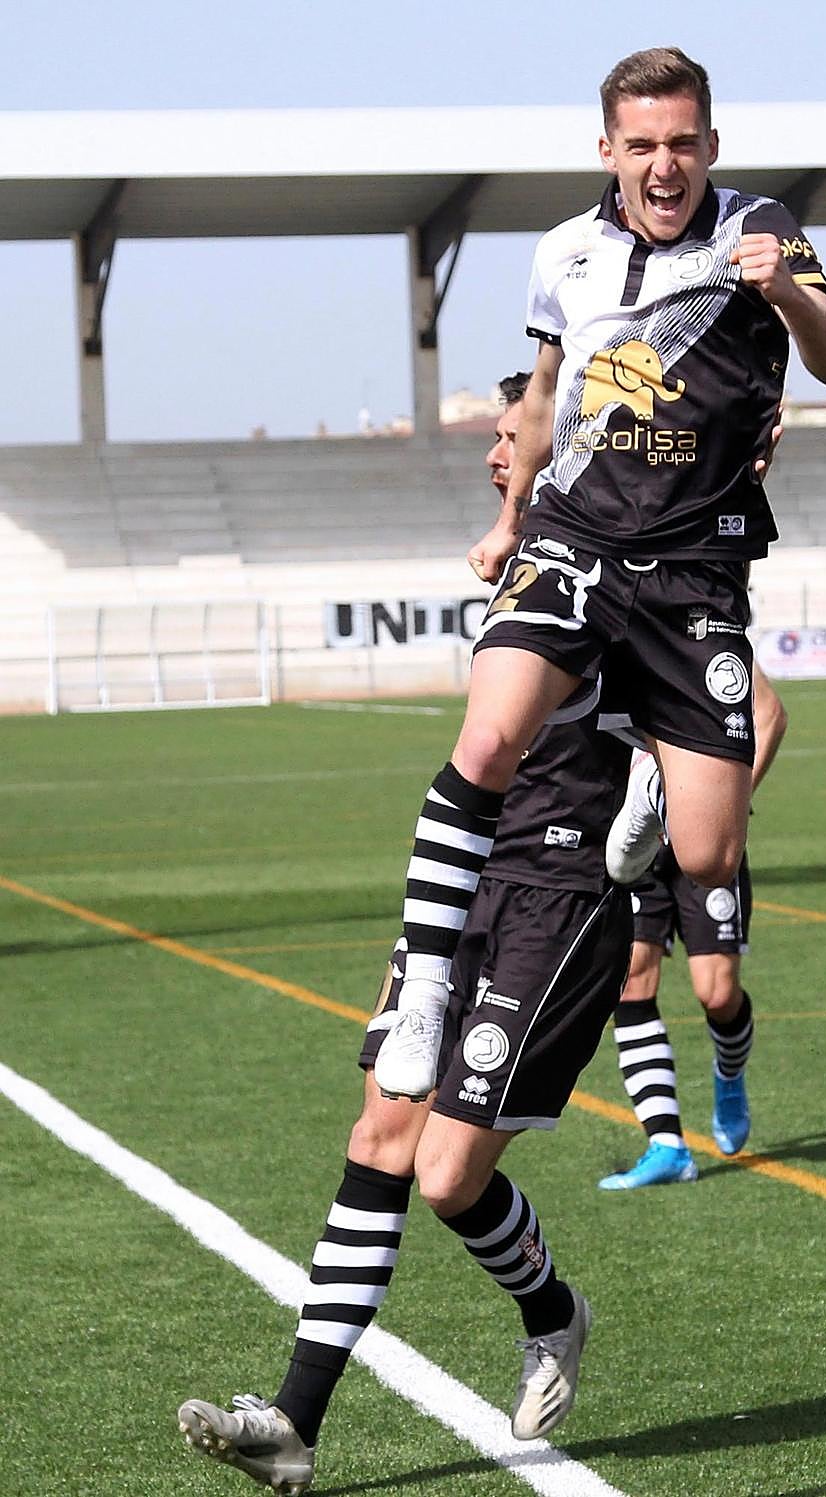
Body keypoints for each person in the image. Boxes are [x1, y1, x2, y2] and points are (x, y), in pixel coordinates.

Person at [177, 376, 636, 1494]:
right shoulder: (527, 564)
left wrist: (664, 812)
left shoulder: (635, 561)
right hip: (467, 890)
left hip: (563, 897)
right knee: (382, 1132)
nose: (492, 452)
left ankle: (554, 1311)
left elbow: (750, 710)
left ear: (565, 441)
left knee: (446, 1174)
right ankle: (292, 1423)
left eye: (510, 434)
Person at [379, 45, 826, 1104]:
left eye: (682, 143)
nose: (663, 164)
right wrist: (510, 521)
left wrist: (790, 295)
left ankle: (650, 779)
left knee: (709, 855)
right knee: (488, 740)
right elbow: (545, 395)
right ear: (608, 149)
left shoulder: (764, 228)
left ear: (712, 144)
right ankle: (421, 990)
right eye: (642, 145)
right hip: (577, 538)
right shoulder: (563, 252)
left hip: (697, 569)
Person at [599, 665, 788, 1187]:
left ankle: (729, 1072)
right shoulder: (599, 632)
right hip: (631, 836)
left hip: (700, 832)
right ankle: (666, 1146)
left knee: (717, 993)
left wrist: (728, 804)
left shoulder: (695, 634)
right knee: (632, 979)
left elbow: (769, 713)